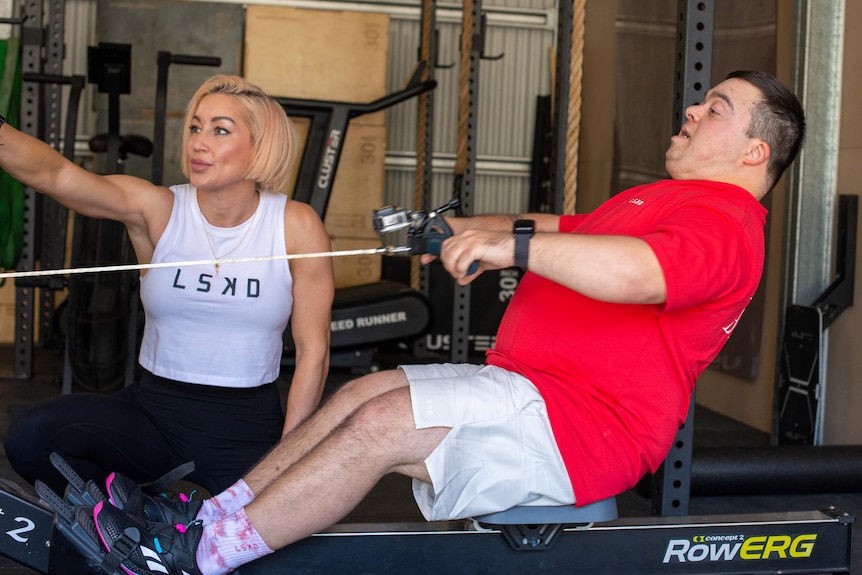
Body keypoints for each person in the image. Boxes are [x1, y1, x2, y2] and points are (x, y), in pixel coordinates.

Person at [68, 69, 804, 575]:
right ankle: (207, 517)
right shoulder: (659, 201)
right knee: (362, 393)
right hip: (529, 386)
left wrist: (507, 247)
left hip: (579, 423)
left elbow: (640, 273)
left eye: (714, 109)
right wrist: (444, 230)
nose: (692, 112)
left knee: (383, 423)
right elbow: (559, 223)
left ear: (755, 150)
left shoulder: (727, 221)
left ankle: (192, 556)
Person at [0, 75, 334, 496]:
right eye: (195, 127)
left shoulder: (295, 225)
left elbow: (314, 351)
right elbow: (57, 175)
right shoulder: (158, 209)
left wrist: (291, 454)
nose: (198, 142)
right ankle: (125, 525)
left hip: (243, 426)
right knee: (30, 437)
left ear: (260, 146)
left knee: (252, 552)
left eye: (220, 130)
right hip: (152, 413)